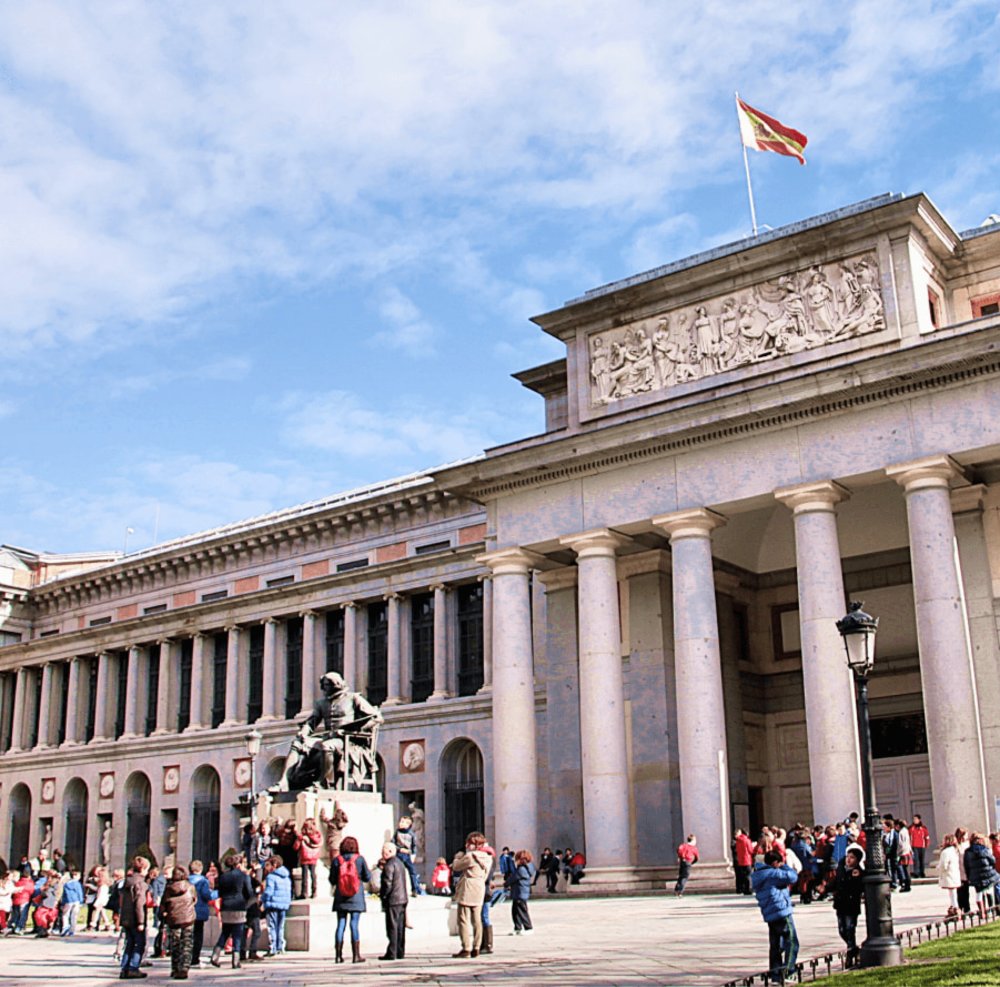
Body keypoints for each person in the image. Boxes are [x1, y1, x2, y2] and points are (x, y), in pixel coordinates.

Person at [752, 850, 800, 986]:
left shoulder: (759, 874)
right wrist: (784, 865)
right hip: (782, 912)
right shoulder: (773, 873)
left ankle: (775, 975)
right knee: (792, 941)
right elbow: (792, 877)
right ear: (774, 863)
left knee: (775, 946)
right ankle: (789, 971)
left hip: (770, 914)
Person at [330, 836, 371, 964]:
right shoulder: (359, 859)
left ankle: (338, 955)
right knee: (354, 924)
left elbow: (332, 879)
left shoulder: (337, 860)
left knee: (341, 924)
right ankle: (356, 955)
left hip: (341, 896)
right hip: (356, 895)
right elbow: (367, 877)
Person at [451, 831, 491, 959]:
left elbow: (456, 867)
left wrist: (457, 857)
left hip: (467, 887)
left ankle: (466, 948)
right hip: (479, 887)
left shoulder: (471, 857)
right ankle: (477, 947)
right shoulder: (488, 858)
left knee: (463, 919)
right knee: (477, 919)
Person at [211, 853, 253, 969]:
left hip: (226, 905)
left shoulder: (223, 877)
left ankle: (215, 955)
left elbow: (219, 892)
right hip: (239, 905)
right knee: (237, 934)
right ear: (238, 864)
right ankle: (236, 960)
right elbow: (249, 892)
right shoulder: (243, 876)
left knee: (225, 931)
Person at [161, 866, 197, 981]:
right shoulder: (190, 887)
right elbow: (194, 900)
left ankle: (175, 968)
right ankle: (184, 968)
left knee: (175, 944)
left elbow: (163, 904)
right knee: (187, 944)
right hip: (188, 918)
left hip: (173, 919)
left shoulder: (169, 888)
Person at [119, 856, 151, 980]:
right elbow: (139, 904)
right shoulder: (140, 883)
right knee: (139, 943)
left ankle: (125, 968)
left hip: (126, 917)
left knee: (130, 943)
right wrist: (141, 921)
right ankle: (133, 968)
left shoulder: (128, 881)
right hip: (135, 918)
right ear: (143, 868)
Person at [832, 845, 865, 966]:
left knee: (850, 930)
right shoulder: (841, 868)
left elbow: (860, 887)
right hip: (840, 904)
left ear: (857, 860)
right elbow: (836, 882)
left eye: (852, 858)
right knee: (842, 930)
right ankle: (855, 950)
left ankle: (850, 956)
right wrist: (825, 888)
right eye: (848, 857)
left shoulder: (858, 872)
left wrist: (858, 876)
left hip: (851, 905)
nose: (849, 859)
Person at [378, 841, 408, 961]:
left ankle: (392, 952)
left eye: (383, 850)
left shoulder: (389, 865)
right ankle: (400, 951)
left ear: (390, 851)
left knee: (392, 926)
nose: (382, 852)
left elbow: (387, 883)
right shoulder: (400, 863)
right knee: (400, 926)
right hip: (402, 898)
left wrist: (383, 896)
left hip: (393, 899)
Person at [187, 860, 217, 967]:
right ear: (200, 869)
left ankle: (187, 956)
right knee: (198, 934)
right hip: (199, 911)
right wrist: (216, 893)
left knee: (188, 935)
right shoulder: (203, 881)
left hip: (187, 911)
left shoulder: (186, 880)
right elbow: (207, 895)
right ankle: (195, 958)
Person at [261, 854, 292, 957]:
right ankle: (281, 947)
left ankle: (272, 947)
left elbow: (269, 892)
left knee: (272, 927)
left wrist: (262, 899)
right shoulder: (286, 877)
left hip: (272, 904)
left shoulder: (271, 877)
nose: (267, 868)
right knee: (280, 926)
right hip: (283, 905)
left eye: (269, 865)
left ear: (274, 865)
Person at [964, 832, 1000, 919]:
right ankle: (991, 910)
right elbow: (992, 860)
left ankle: (982, 912)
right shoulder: (984, 849)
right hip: (988, 874)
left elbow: (966, 865)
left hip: (976, 876)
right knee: (989, 892)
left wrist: (969, 876)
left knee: (979, 893)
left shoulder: (968, 852)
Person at [394, 816, 424, 896]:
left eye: (404, 822)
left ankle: (415, 889)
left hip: (407, 855)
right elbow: (393, 843)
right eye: (401, 821)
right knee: (397, 871)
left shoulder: (411, 834)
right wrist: (399, 849)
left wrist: (412, 853)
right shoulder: (397, 832)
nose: (401, 823)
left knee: (412, 872)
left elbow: (414, 846)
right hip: (399, 854)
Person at [509, 849, 536, 936]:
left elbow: (513, 878)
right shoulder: (527, 868)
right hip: (518, 892)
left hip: (520, 893)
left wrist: (506, 883)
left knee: (522, 911)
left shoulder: (521, 869)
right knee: (515, 911)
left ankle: (528, 927)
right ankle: (517, 927)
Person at [296, 818, 323, 900]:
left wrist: (299, 839)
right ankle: (314, 891)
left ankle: (304, 892)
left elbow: (296, 847)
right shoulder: (318, 836)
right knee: (313, 875)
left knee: (305, 876)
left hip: (305, 857)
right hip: (314, 857)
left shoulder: (303, 837)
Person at [938, 833, 962, 916]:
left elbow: (944, 865)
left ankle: (955, 908)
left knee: (952, 893)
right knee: (953, 892)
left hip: (948, 874)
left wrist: (939, 868)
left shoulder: (946, 852)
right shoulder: (955, 850)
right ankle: (955, 907)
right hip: (954, 873)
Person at [60, 869, 84, 936]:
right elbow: (79, 893)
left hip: (68, 900)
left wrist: (63, 903)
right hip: (76, 901)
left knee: (65, 915)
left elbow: (64, 894)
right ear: (76, 876)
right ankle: (72, 930)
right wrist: (81, 901)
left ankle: (65, 927)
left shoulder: (66, 884)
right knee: (74, 916)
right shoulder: (77, 884)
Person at [733, 829, 754, 895]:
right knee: (748, 875)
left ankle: (743, 888)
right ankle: (748, 889)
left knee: (742, 875)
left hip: (740, 860)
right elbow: (750, 850)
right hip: (747, 860)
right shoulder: (747, 840)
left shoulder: (738, 841)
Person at [910, 814, 930, 879]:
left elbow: (927, 837)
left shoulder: (923, 828)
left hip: (922, 846)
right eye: (914, 819)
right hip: (914, 846)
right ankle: (916, 872)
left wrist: (927, 844)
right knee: (916, 860)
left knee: (922, 860)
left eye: (916, 819)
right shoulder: (911, 828)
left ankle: (922, 872)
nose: (914, 820)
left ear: (919, 820)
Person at [895, 820, 912, 892]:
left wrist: (898, 852)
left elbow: (900, 844)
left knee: (904, 870)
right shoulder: (906, 831)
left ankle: (906, 884)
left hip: (903, 852)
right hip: (907, 851)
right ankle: (908, 884)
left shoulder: (901, 832)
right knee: (906, 869)